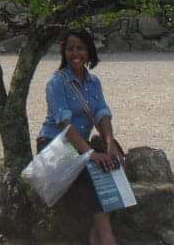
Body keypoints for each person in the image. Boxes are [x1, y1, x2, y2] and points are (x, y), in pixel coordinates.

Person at [37, 29, 124, 245]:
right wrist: (91, 154)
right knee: (91, 171)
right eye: (70, 49)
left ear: (89, 51)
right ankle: (106, 237)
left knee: (116, 162)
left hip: (80, 146)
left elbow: (102, 114)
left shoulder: (94, 82)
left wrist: (110, 145)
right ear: (64, 52)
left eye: (80, 48)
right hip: (55, 145)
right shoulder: (57, 83)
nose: (75, 54)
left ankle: (96, 232)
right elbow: (65, 124)